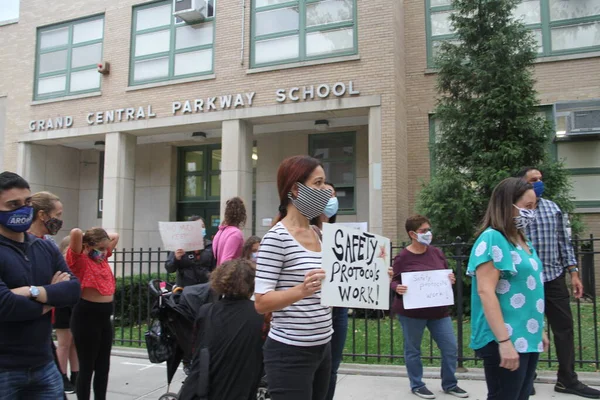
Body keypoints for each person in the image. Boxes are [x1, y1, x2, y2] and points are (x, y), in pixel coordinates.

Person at [254, 155, 334, 400]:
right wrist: (301, 290)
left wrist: (373, 276)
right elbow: (261, 302)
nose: (326, 192)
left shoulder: (319, 233)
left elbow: (335, 284)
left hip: (323, 346)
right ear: (295, 189)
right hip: (290, 352)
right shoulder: (276, 238)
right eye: (318, 183)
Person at [517, 167, 600, 399]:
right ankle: (526, 377)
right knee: (527, 328)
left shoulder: (553, 208)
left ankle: (567, 379)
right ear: (522, 184)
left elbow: (565, 242)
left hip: (553, 277)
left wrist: (573, 272)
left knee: (564, 328)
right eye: (533, 180)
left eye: (540, 179)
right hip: (526, 281)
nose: (539, 183)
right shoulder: (515, 211)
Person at [0, 171, 81, 399]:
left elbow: (73, 290)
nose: (23, 209)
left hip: (44, 365)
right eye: (13, 204)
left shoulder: (45, 247)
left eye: (27, 202)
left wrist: (31, 292)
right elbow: (4, 305)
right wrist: (50, 298)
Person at [467, 177, 549, 400]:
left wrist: (537, 329)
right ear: (507, 205)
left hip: (526, 336)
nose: (532, 213)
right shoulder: (493, 238)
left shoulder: (522, 240)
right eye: (527, 207)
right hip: (504, 338)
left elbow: (526, 289)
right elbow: (486, 291)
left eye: (534, 207)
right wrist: (504, 342)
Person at [390, 215, 468, 399]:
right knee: (413, 349)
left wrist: (450, 279)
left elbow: (445, 275)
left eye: (429, 229)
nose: (428, 233)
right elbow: (393, 280)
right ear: (412, 233)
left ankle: (450, 384)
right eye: (423, 231)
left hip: (439, 311)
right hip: (411, 313)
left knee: (450, 347)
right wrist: (397, 287)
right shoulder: (402, 257)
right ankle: (417, 384)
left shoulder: (437, 253)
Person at [179, 259, 265, 400]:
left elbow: (196, 350)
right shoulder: (260, 315)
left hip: (206, 389)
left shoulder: (206, 312)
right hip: (243, 389)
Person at [29, 191, 79, 395]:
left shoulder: (48, 244)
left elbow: (71, 287)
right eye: (57, 214)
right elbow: (12, 298)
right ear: (42, 215)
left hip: (42, 335)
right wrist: (51, 291)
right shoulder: (21, 244)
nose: (60, 220)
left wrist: (41, 294)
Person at [67, 227, 119, 400]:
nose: (105, 252)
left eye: (106, 248)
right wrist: (86, 241)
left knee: (103, 366)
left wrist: (100, 242)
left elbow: (115, 235)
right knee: (87, 367)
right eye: (101, 248)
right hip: (86, 317)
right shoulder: (80, 260)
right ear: (88, 246)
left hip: (104, 319)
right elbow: (75, 232)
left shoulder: (101, 260)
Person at [309, 182, 346, 400]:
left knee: (332, 366)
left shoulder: (341, 235)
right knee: (314, 367)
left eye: (333, 195)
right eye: (325, 194)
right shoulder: (304, 232)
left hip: (338, 307)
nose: (331, 199)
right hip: (314, 307)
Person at [165, 216, 216, 288]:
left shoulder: (210, 246)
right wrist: (176, 258)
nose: (201, 229)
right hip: (185, 289)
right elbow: (169, 268)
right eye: (197, 227)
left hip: (205, 289)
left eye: (202, 226)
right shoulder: (180, 245)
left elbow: (215, 268)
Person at [213, 197, 246, 266]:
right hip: (230, 274)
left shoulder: (220, 232)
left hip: (219, 273)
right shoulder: (235, 233)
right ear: (242, 215)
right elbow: (226, 261)